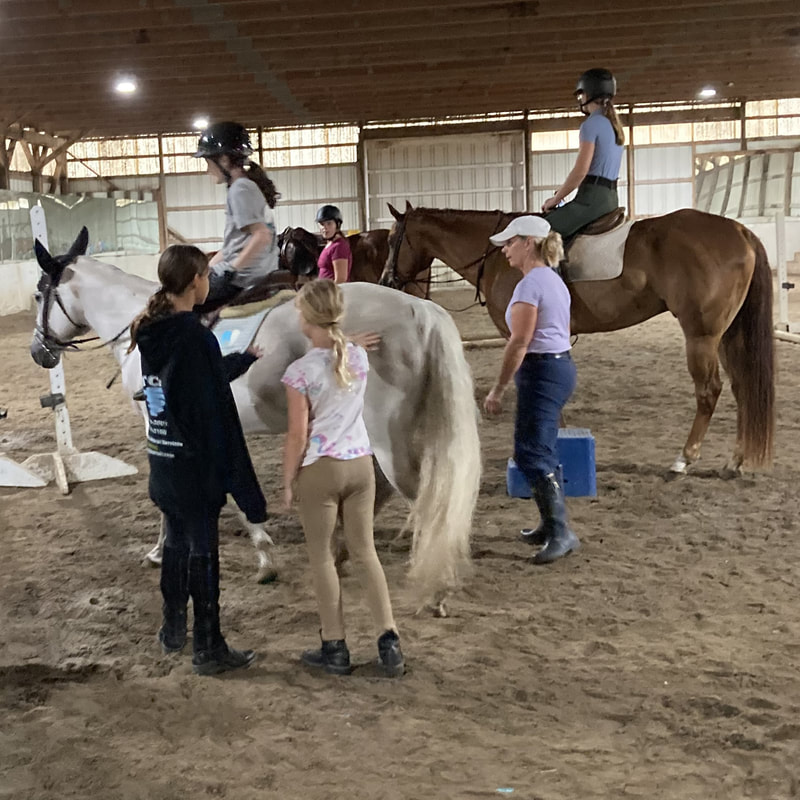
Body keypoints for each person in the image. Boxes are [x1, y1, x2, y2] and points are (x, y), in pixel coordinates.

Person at [129, 244, 267, 675]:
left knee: (174, 541)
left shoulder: (153, 330)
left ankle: (173, 628)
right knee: (203, 551)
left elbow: (190, 381)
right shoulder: (194, 336)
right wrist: (237, 481)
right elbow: (211, 410)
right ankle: (208, 646)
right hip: (194, 468)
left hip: (164, 459)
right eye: (207, 275)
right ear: (195, 282)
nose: (210, 282)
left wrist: (241, 361)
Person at [281, 279, 404, 677]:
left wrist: (286, 480)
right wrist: (345, 338)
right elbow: (336, 351)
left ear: (307, 318)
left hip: (321, 468)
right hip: (360, 466)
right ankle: (389, 639)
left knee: (322, 558)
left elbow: (298, 435)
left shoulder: (298, 373)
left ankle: (334, 645)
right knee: (366, 553)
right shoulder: (357, 357)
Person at [483, 216, 580, 564]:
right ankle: (550, 523)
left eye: (510, 243)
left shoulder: (529, 286)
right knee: (542, 448)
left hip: (542, 370)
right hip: (556, 366)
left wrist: (498, 387)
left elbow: (519, 341)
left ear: (528, 243)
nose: (505, 250)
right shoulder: (552, 280)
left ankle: (561, 532)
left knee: (531, 454)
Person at [193, 121, 280, 309]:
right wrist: (205, 270)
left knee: (187, 301)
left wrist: (232, 270)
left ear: (224, 160)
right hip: (253, 269)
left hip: (246, 275)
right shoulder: (244, 187)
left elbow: (262, 235)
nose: (207, 169)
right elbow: (230, 248)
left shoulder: (240, 190)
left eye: (208, 162)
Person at [541, 69, 625, 238]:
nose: (581, 99)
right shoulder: (614, 125)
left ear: (589, 94)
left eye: (582, 95)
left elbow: (581, 171)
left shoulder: (590, 125)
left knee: (540, 233)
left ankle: (553, 266)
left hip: (591, 201)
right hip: (611, 199)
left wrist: (555, 200)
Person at [315, 204, 352, 284]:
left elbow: (341, 279)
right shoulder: (330, 244)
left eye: (329, 223)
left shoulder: (339, 246)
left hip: (331, 294)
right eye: (322, 224)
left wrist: (329, 295)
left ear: (337, 225)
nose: (324, 227)